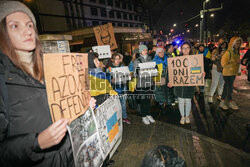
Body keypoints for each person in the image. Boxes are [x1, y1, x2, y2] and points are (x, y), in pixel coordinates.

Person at [0, 1, 96, 166]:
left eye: (30, 25)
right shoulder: (3, 80)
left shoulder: (53, 69)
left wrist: (83, 109)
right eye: (15, 26)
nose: (27, 30)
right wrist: (36, 143)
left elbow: (62, 113)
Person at [168, 42, 197, 125]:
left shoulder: (194, 59)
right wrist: (171, 81)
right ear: (181, 49)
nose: (185, 49)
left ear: (190, 49)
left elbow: (197, 70)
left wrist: (201, 74)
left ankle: (187, 116)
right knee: (181, 101)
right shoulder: (177, 59)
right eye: (183, 48)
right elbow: (173, 72)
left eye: (187, 47)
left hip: (189, 84)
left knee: (188, 101)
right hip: (179, 84)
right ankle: (182, 116)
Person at [133, 44, 155, 125]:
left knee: (148, 100)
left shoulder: (150, 59)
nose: (145, 51)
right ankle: (144, 116)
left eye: (146, 50)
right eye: (143, 50)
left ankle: (148, 114)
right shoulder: (137, 61)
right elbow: (135, 74)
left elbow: (153, 71)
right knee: (143, 100)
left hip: (149, 83)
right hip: (141, 84)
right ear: (140, 51)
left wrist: (154, 69)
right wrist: (138, 71)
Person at [219, 36, 243, 110]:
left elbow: (237, 63)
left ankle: (224, 102)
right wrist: (234, 62)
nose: (238, 45)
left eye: (239, 43)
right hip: (227, 74)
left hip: (233, 73)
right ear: (233, 43)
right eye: (236, 43)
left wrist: (238, 69)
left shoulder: (236, 52)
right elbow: (223, 64)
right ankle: (229, 101)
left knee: (227, 88)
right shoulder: (228, 52)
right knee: (228, 88)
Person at [107, 53, 131, 124]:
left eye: (118, 59)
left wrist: (129, 75)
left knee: (123, 105)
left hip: (123, 88)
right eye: (116, 59)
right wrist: (111, 81)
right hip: (114, 90)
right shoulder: (109, 69)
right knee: (116, 106)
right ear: (112, 60)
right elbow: (107, 80)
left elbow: (128, 76)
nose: (117, 60)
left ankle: (124, 117)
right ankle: (117, 119)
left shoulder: (123, 66)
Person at [208, 39, 228, 103]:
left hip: (224, 68)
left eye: (225, 44)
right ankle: (210, 96)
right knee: (214, 83)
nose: (223, 46)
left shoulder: (228, 51)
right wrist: (219, 56)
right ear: (220, 45)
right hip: (216, 67)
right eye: (222, 44)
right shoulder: (216, 50)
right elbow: (212, 59)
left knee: (222, 83)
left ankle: (219, 95)